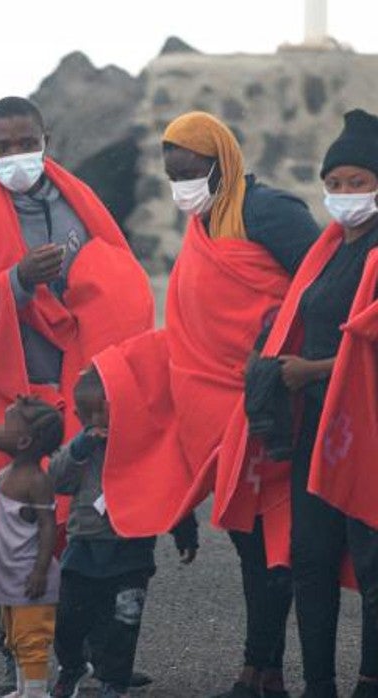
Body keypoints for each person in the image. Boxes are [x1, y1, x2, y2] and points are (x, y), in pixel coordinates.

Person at [88, 111, 320, 698]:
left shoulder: (269, 212)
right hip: (214, 411)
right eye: (172, 175)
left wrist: (286, 350)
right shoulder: (206, 220)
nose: (181, 185)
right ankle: (262, 672)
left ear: (223, 162)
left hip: (267, 407)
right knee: (250, 539)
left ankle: (259, 670)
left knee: (273, 540)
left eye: (191, 172)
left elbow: (323, 284)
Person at [0, 96, 153, 692]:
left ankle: (85, 658)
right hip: (9, 405)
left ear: (45, 139)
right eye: (1, 148)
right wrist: (16, 282)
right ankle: (20, 665)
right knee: (12, 533)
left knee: (86, 532)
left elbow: (120, 273)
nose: (15, 156)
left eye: (24, 143)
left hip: (79, 396)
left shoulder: (79, 205)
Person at [217, 108, 378, 698]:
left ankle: (368, 682)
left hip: (369, 433)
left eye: (357, 182)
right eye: (334, 185)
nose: (343, 196)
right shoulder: (328, 250)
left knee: (372, 562)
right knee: (310, 560)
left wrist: (311, 369)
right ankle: (318, 685)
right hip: (317, 428)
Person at [47, 369, 199, 698]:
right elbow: (56, 479)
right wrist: (80, 445)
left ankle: (114, 680)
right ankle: (72, 665)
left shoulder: (142, 448)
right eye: (93, 417)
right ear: (80, 416)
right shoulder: (80, 455)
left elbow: (167, 488)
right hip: (84, 547)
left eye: (110, 413)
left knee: (122, 623)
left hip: (131, 551)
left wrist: (184, 529)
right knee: (68, 618)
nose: (103, 425)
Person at [0, 395, 64, 698]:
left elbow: (48, 526)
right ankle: (23, 689)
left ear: (22, 441)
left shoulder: (36, 480)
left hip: (28, 574)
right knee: (15, 635)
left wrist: (41, 570)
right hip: (10, 574)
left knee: (32, 636)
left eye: (5, 425)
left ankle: (35, 692)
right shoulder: (4, 475)